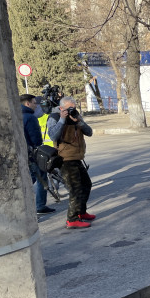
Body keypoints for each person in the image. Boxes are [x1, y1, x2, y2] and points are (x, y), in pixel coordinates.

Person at [47, 96, 95, 229]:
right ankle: (72, 219)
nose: (72, 110)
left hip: (77, 157)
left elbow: (89, 132)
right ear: (61, 108)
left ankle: (81, 212)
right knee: (75, 189)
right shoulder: (54, 117)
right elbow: (53, 136)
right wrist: (62, 120)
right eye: (69, 108)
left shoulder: (76, 116)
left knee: (86, 184)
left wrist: (79, 122)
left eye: (74, 108)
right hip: (65, 159)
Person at [20, 94, 55, 215]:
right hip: (32, 153)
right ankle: (40, 205)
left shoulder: (17, 115)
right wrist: (38, 146)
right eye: (34, 103)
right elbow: (35, 138)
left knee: (30, 177)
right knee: (40, 177)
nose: (36, 106)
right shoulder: (30, 117)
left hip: (24, 152)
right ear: (27, 103)